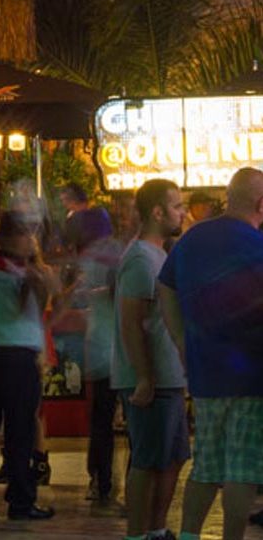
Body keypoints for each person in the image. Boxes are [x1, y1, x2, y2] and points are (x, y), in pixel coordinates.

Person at [159, 166, 263, 540]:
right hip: (252, 374)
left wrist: (182, 340)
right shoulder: (257, 245)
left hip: (204, 371)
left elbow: (165, 289)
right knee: (242, 468)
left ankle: (189, 534)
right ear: (260, 203)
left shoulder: (193, 239)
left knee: (207, 463)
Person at [112, 178, 189, 540]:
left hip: (168, 374)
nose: (182, 212)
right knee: (148, 459)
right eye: (176, 206)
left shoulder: (160, 254)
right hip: (152, 376)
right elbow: (132, 321)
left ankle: (156, 528)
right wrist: (144, 375)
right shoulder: (141, 257)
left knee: (171, 457)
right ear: (157, 212)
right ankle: (138, 532)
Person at [0, 211, 54, 522]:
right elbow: (25, 311)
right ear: (9, 238)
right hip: (17, 356)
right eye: (25, 234)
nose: (30, 240)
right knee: (19, 431)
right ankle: (20, 501)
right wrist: (39, 282)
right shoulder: (16, 273)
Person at [74, 205, 122, 508]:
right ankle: (103, 478)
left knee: (102, 418)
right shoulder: (117, 251)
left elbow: (80, 295)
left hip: (108, 345)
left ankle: (101, 479)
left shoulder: (99, 254)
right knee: (109, 418)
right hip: (111, 345)